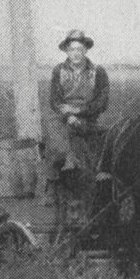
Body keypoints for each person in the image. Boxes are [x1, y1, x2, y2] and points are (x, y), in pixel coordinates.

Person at [44, 30, 109, 189]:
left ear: (86, 50)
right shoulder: (59, 71)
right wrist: (69, 116)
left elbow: (102, 102)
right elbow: (55, 101)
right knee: (56, 148)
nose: (76, 53)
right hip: (64, 119)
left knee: (106, 148)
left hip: (89, 118)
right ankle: (52, 183)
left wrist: (79, 111)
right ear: (66, 51)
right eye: (72, 49)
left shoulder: (98, 72)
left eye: (79, 49)